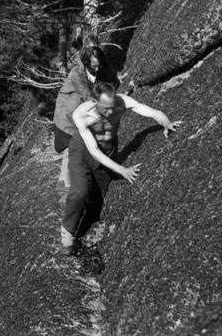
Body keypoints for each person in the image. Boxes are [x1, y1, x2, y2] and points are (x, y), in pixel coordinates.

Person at [60, 81, 179, 253]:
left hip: (108, 148)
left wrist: (165, 122)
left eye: (112, 106)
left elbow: (148, 110)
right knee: (80, 191)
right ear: (94, 102)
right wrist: (122, 170)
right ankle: (67, 236)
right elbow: (93, 150)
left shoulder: (121, 102)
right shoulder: (82, 115)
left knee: (98, 194)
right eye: (105, 108)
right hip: (82, 149)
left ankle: (86, 229)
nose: (110, 111)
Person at [53, 48, 103, 187]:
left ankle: (68, 184)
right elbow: (88, 97)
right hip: (67, 119)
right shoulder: (77, 74)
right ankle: (66, 187)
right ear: (87, 62)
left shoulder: (93, 71)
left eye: (99, 65)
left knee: (77, 151)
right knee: (70, 151)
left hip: (76, 115)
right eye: (94, 66)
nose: (98, 69)